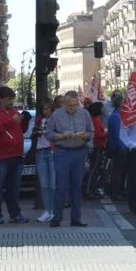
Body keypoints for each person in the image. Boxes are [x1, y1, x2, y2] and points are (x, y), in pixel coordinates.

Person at [45, 91, 94, 227]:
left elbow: (91, 132)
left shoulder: (85, 114)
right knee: (61, 186)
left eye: (75, 105)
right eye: (70, 105)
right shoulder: (57, 114)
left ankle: (76, 218)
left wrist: (86, 136)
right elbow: (48, 134)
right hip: (62, 152)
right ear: (64, 104)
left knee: (77, 187)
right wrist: (61, 136)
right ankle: (57, 217)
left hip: (79, 152)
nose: (73, 108)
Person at [0, 86, 30, 225]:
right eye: (9, 99)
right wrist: (12, 120)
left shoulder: (13, 111)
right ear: (1, 98)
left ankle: (15, 214)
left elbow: (21, 130)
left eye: (12, 99)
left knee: (14, 188)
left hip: (16, 155)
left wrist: (25, 120)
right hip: (0, 156)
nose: (11, 102)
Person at [32, 100, 57, 223]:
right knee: (44, 184)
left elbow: (58, 135)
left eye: (47, 108)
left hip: (52, 152)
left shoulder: (57, 120)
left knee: (53, 184)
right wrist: (36, 132)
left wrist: (47, 132)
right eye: (43, 109)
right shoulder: (39, 120)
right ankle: (47, 210)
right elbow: (33, 134)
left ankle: (53, 210)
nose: (45, 111)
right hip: (41, 151)